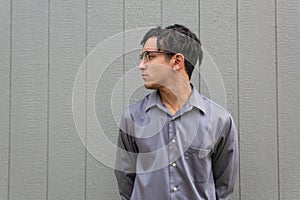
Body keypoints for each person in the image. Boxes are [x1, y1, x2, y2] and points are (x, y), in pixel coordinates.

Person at [114, 24, 238, 200]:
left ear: (177, 62)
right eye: (142, 57)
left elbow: (224, 186)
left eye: (150, 57)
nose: (141, 66)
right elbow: (125, 179)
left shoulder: (219, 120)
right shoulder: (133, 118)